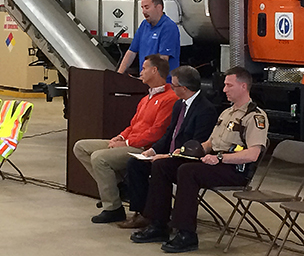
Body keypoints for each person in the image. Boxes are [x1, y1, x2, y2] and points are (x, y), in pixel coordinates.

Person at [130, 66, 269, 253]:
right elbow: (209, 143)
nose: (224, 89)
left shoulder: (255, 116)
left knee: (188, 171)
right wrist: (179, 153)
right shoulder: (226, 113)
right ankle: (158, 224)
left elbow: (253, 154)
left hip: (234, 170)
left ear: (243, 86)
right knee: (163, 166)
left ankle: (186, 234)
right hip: (214, 162)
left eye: (229, 85)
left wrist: (220, 157)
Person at [73, 54, 178, 224]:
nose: (141, 72)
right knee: (81, 147)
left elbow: (157, 133)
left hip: (145, 147)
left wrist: (127, 143)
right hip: (130, 141)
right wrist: (119, 137)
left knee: (99, 158)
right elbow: (133, 124)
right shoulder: (146, 98)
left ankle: (113, 207)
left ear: (155, 70)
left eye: (144, 69)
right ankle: (119, 185)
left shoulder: (169, 99)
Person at [117, 65, 218, 229]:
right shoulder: (179, 105)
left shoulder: (205, 110)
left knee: (160, 166)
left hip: (186, 158)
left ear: (184, 88)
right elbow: (169, 133)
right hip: (170, 154)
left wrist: (169, 156)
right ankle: (143, 212)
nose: (172, 88)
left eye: (174, 85)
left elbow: (197, 144)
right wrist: (154, 150)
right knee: (135, 164)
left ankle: (159, 219)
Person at [117, 0, 180, 83]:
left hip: (164, 84)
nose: (143, 11)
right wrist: (118, 75)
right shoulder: (144, 25)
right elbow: (131, 52)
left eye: (147, 7)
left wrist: (146, 78)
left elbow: (163, 60)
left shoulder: (169, 27)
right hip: (146, 82)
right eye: (142, 8)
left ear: (159, 7)